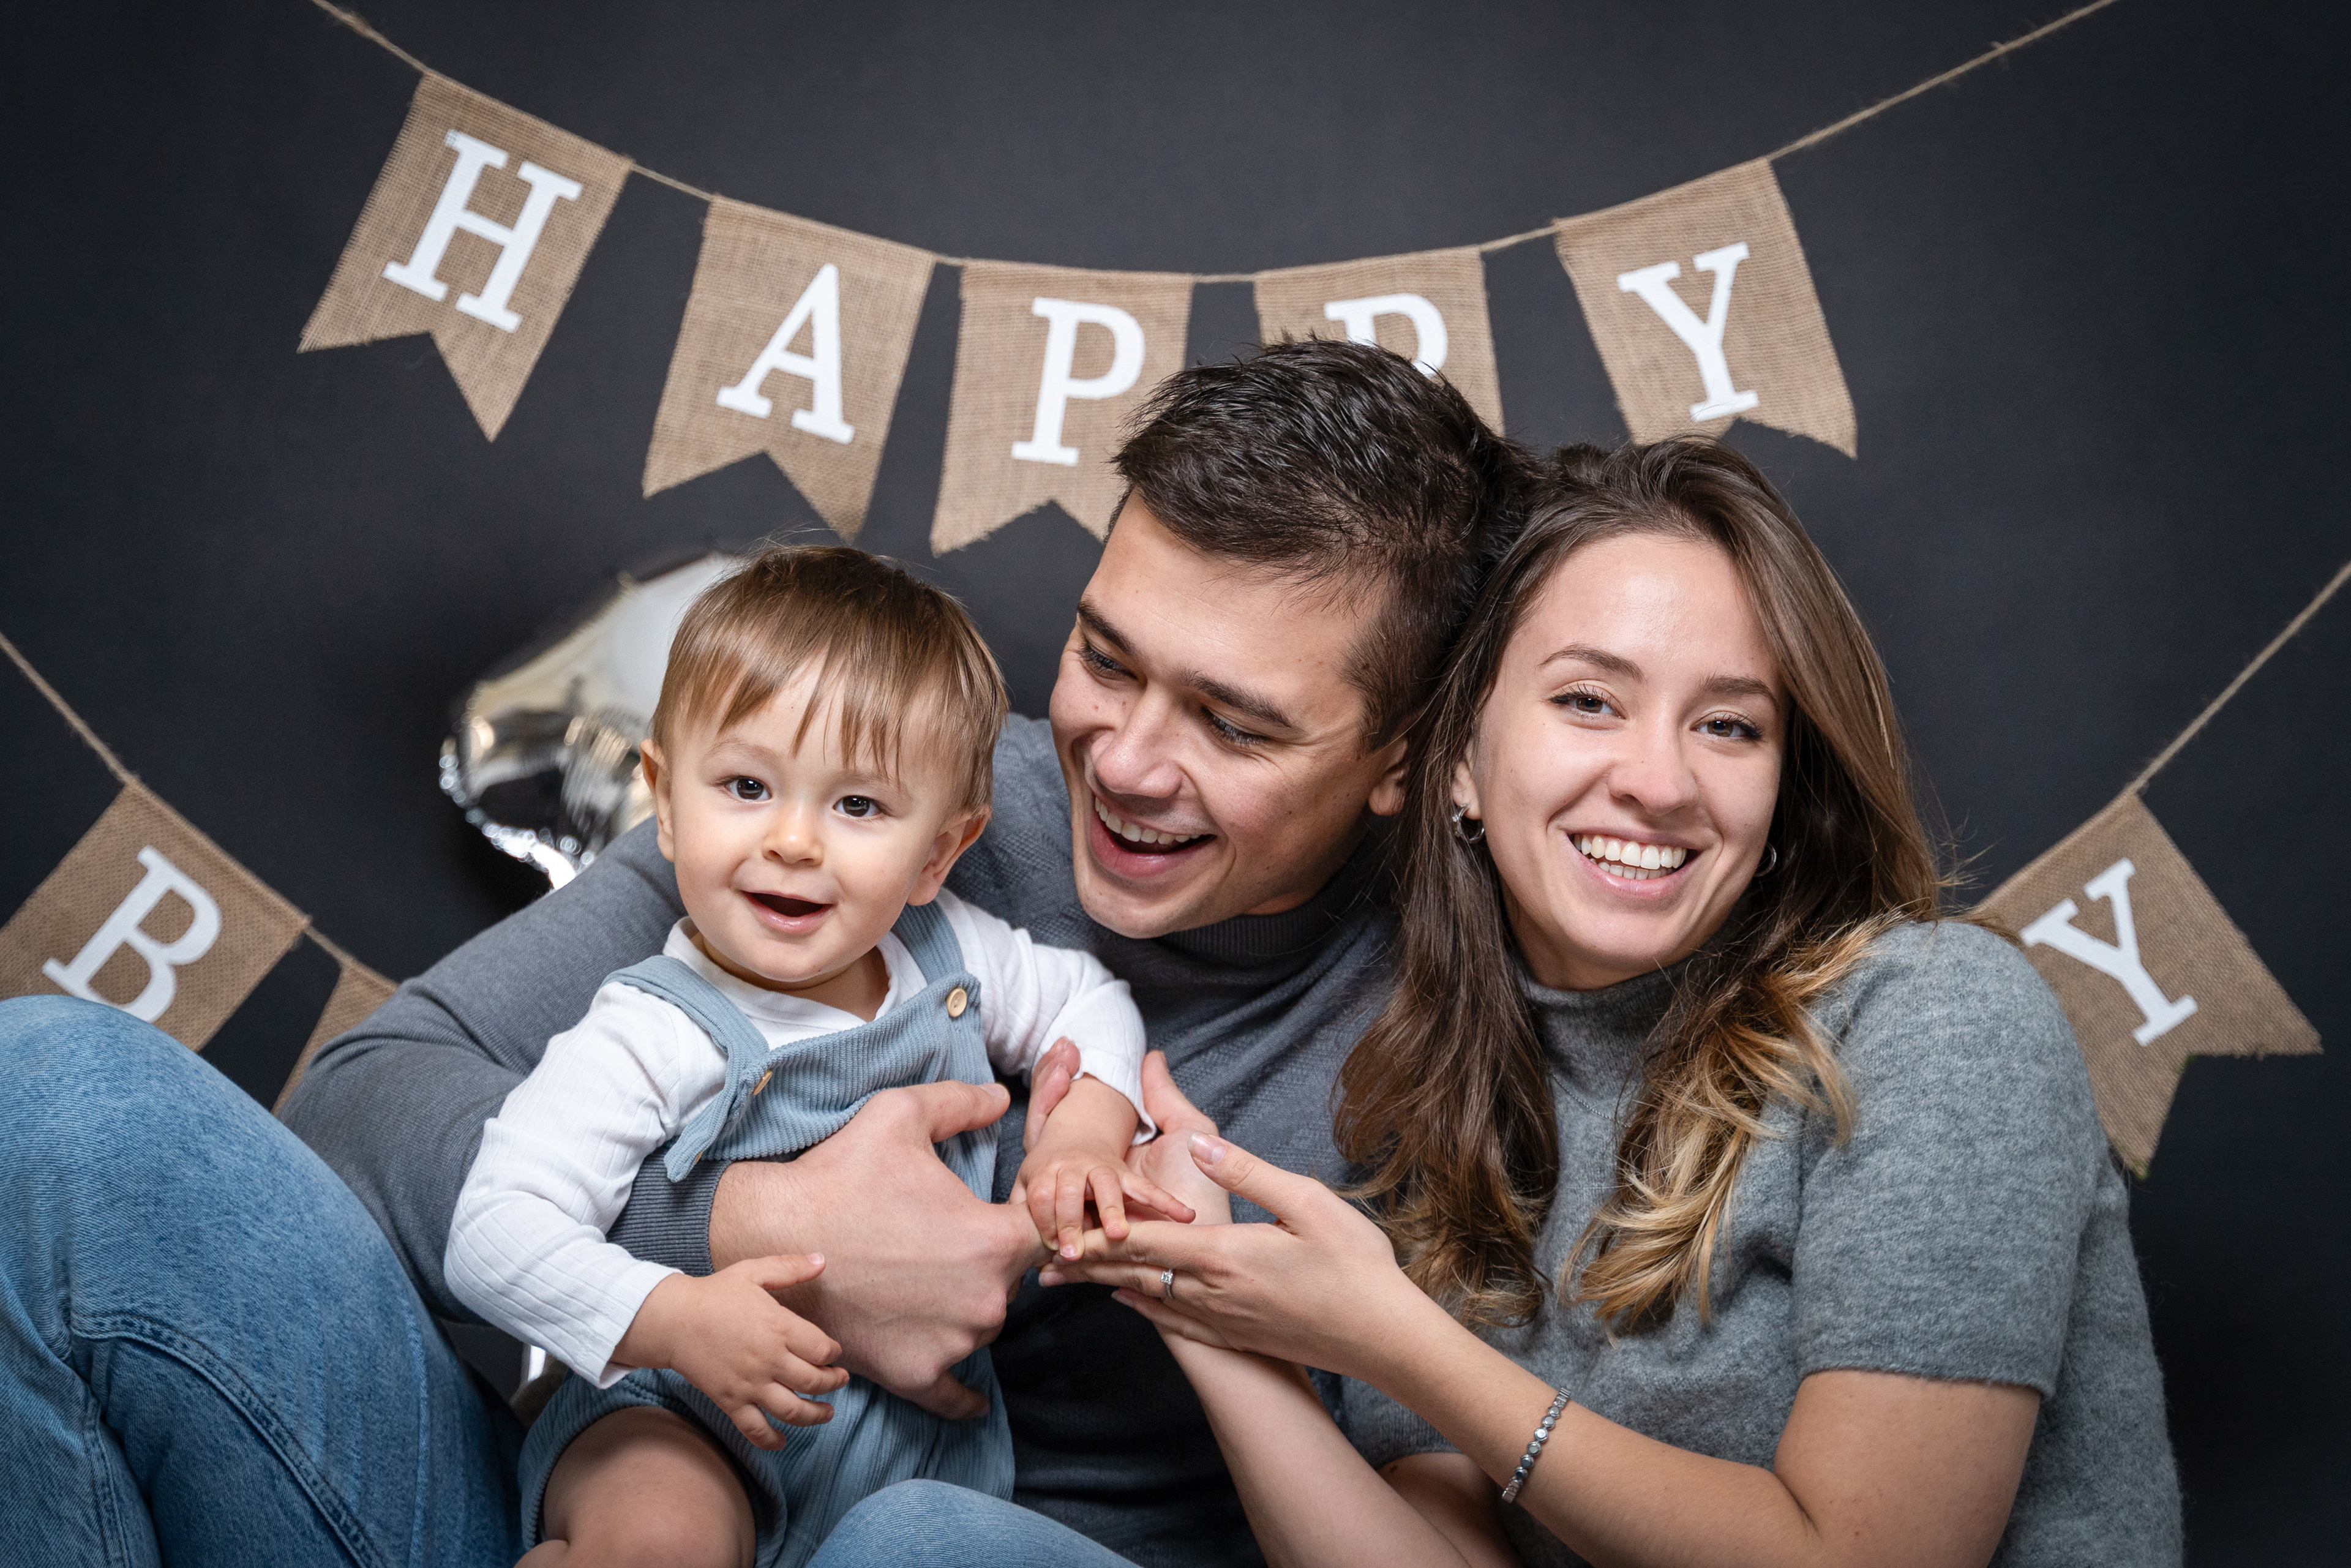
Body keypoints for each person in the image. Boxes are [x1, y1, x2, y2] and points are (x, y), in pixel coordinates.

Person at [0, 337, 1528, 1568]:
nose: (1121, 762)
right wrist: (761, 1232)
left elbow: (1444, 1537)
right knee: (58, 1097)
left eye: (1234, 725)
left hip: (987, 1538)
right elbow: (362, 1103)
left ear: (1409, 756)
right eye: (1104, 659)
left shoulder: (1461, 1028)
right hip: (666, 1490)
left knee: (923, 1547)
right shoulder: (882, 795)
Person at [839, 438, 2181, 1566]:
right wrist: (1206, 1292)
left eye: (1729, 725)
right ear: (1458, 762)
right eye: (1590, 701)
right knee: (922, 1542)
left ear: (1785, 784)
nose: (1659, 781)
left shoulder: (1934, 1018)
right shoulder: (1438, 1084)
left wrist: (1401, 1343)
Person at [445, 547, 1188, 1568]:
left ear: (940, 852)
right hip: (685, 1415)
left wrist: (1088, 1132)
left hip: (912, 1462)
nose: (794, 840)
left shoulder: (952, 954)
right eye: (747, 785)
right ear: (666, 802)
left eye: (858, 806)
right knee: (665, 1540)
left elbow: (1091, 1000)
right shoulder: (654, 1030)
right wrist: (675, 1317)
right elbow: (492, 1230)